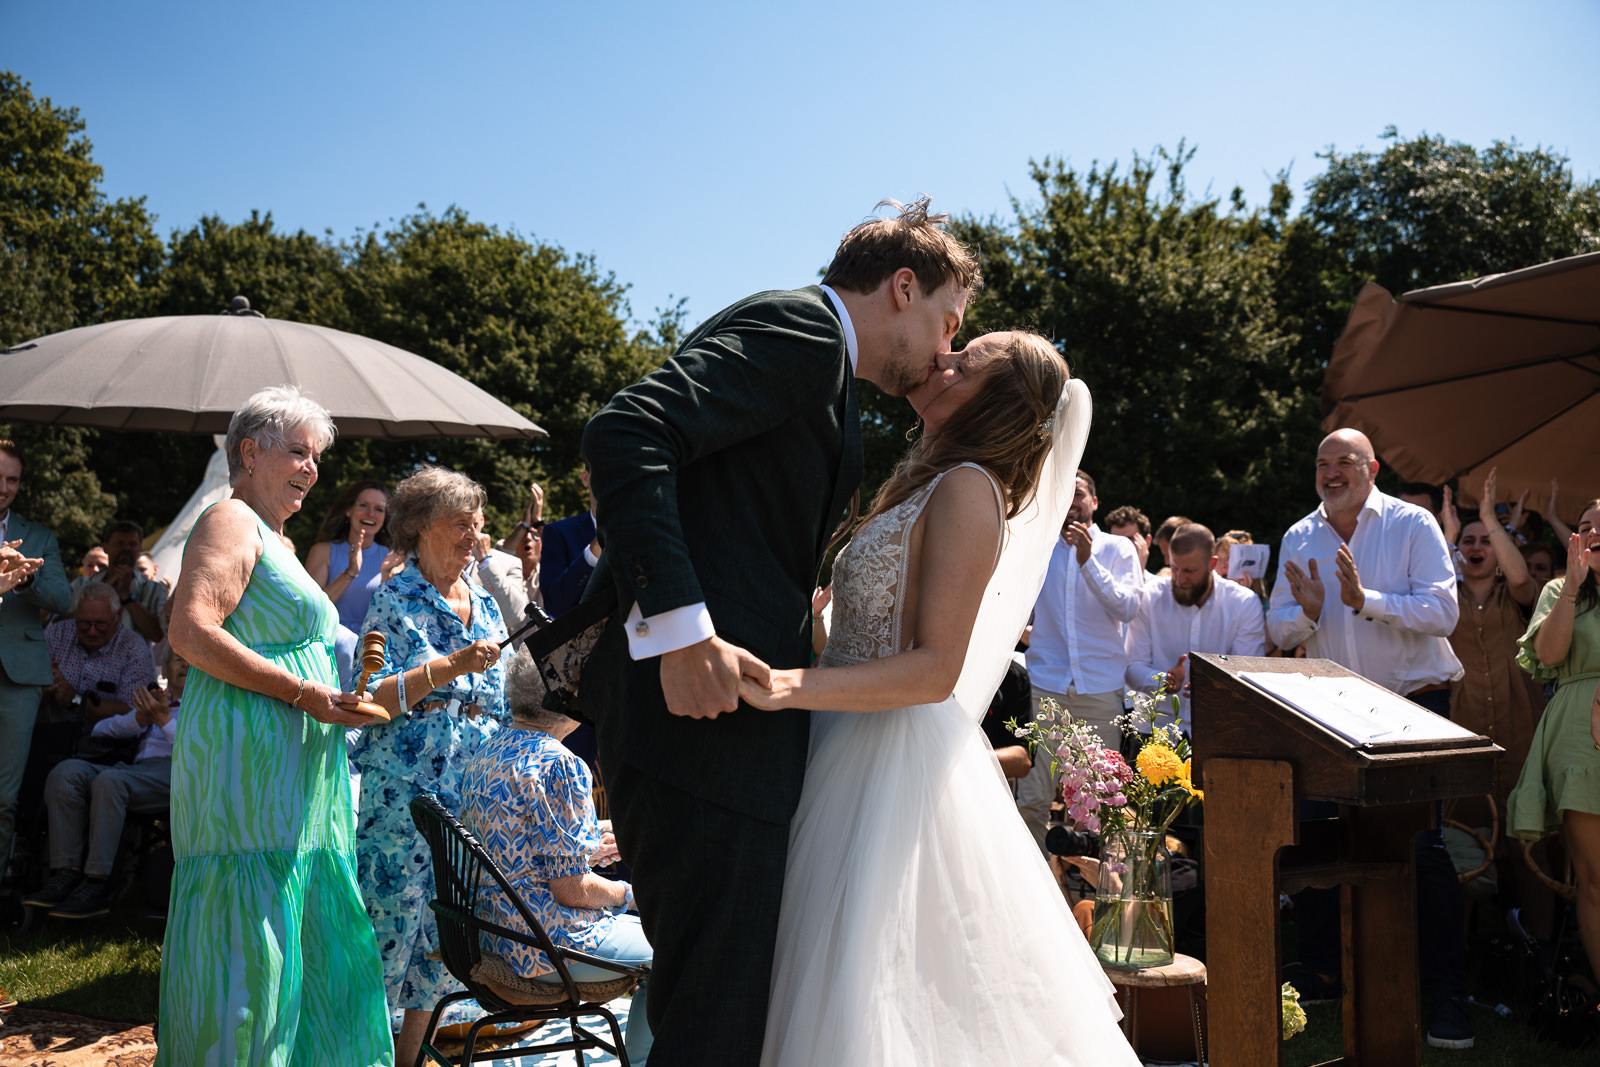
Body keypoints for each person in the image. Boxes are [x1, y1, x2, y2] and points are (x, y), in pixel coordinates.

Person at [580, 198, 978, 1065]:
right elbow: (627, 429)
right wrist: (683, 632)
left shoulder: (825, 370)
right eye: (948, 322)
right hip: (701, 729)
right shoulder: (803, 330)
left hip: (729, 740)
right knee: (713, 1027)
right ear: (902, 286)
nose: (948, 350)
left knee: (716, 1018)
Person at [740, 331, 1136, 1065]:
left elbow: (934, 670)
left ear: (998, 403)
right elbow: (866, 635)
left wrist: (791, 686)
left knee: (874, 991)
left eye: (965, 362)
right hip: (840, 738)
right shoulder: (925, 480)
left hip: (888, 762)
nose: (941, 359)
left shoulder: (968, 489)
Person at [156, 385, 391, 1066]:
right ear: (250, 452)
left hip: (300, 787)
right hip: (247, 781)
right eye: (298, 451)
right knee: (249, 957)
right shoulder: (230, 519)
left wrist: (334, 699)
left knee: (300, 950)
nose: (312, 468)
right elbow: (189, 631)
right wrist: (300, 692)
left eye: (316, 456)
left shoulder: (281, 539)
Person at [1268, 427, 1473, 1050]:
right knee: (1316, 836)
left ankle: (1446, 995)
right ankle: (1324, 971)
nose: (1332, 473)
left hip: (1414, 702)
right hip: (1333, 708)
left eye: (1345, 462)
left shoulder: (1411, 525)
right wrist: (1306, 611)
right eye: (1323, 463)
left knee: (1423, 847)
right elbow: (1279, 630)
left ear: (1372, 468)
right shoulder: (1301, 536)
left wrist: (1365, 600)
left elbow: (1444, 611)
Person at [354, 465, 508, 1066]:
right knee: (388, 930)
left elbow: (501, 694)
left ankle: (408, 1058)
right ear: (419, 529)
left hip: (468, 790)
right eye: (458, 525)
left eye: (477, 524)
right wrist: (455, 665)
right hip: (406, 794)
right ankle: (357, 1050)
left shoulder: (488, 601)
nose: (473, 536)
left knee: (441, 941)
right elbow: (373, 698)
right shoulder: (394, 599)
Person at [462, 653, 652, 1066]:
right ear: (565, 698)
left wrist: (590, 843)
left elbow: (521, 845)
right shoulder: (560, 764)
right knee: (675, 944)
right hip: (545, 947)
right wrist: (633, 894)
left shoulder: (487, 752)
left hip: (495, 935)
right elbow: (570, 889)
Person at [1022, 468, 1144, 850]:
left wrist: (1088, 560)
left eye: (1079, 494)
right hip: (1046, 685)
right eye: (1063, 493)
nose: (1072, 502)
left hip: (1099, 688)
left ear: (1094, 501)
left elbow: (1128, 608)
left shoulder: (1117, 549)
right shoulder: (1037, 548)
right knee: (1032, 799)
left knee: (1101, 804)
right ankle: (1035, 893)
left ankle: (1099, 890)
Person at [1506, 499, 1600, 989]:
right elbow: (1547, 653)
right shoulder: (1559, 589)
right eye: (1585, 527)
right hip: (1579, 736)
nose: (1593, 532)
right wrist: (1574, 588)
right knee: (1596, 878)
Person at [27, 649, 187, 919]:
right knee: (66, 772)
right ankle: (66, 872)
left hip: (177, 774)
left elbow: (199, 751)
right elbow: (102, 730)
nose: (185, 664)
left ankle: (98, 883)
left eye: (192, 660)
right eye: (178, 659)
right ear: (164, 671)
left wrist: (164, 721)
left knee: (111, 781)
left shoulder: (206, 707)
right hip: (136, 770)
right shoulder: (152, 702)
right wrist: (141, 718)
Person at [0, 439, 74, 874]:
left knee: (5, 796)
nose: (4, 487)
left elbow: (64, 599)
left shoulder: (40, 535)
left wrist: (26, 581)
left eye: (12, 480)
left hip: (19, 677)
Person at [1125, 523, 1267, 722]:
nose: (1180, 578)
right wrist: (1163, 681)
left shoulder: (1243, 603)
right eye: (1174, 568)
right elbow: (1132, 668)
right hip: (1156, 726)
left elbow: (1250, 673)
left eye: (1189, 571)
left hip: (1219, 724)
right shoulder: (1150, 597)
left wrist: (1215, 688)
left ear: (1212, 564)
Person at [305, 481, 396, 633]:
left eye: (379, 509)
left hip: (374, 648)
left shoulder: (392, 559)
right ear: (349, 510)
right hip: (331, 643)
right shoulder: (322, 552)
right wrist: (350, 573)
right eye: (363, 505)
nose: (371, 514)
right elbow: (311, 610)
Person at [69, 520, 167, 644]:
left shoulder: (155, 590)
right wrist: (103, 593)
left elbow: (158, 635)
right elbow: (61, 626)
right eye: (119, 543)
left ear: (139, 549)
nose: (126, 548)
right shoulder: (80, 586)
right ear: (105, 547)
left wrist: (127, 598)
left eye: (132, 544)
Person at [473, 481, 546, 629]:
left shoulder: (546, 576)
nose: (527, 538)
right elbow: (502, 552)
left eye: (535, 537)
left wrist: (538, 520)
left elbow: (555, 550)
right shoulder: (501, 566)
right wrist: (523, 525)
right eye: (523, 536)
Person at [539, 466, 599, 617]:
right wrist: (592, 554)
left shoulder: (651, 529)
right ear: (586, 478)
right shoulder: (559, 533)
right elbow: (554, 606)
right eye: (604, 472)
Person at [1103, 504, 1152, 574]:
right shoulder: (1099, 580)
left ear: (1147, 541)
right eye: (1116, 541)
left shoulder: (1161, 584)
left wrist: (1139, 569)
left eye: (1129, 539)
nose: (1122, 546)